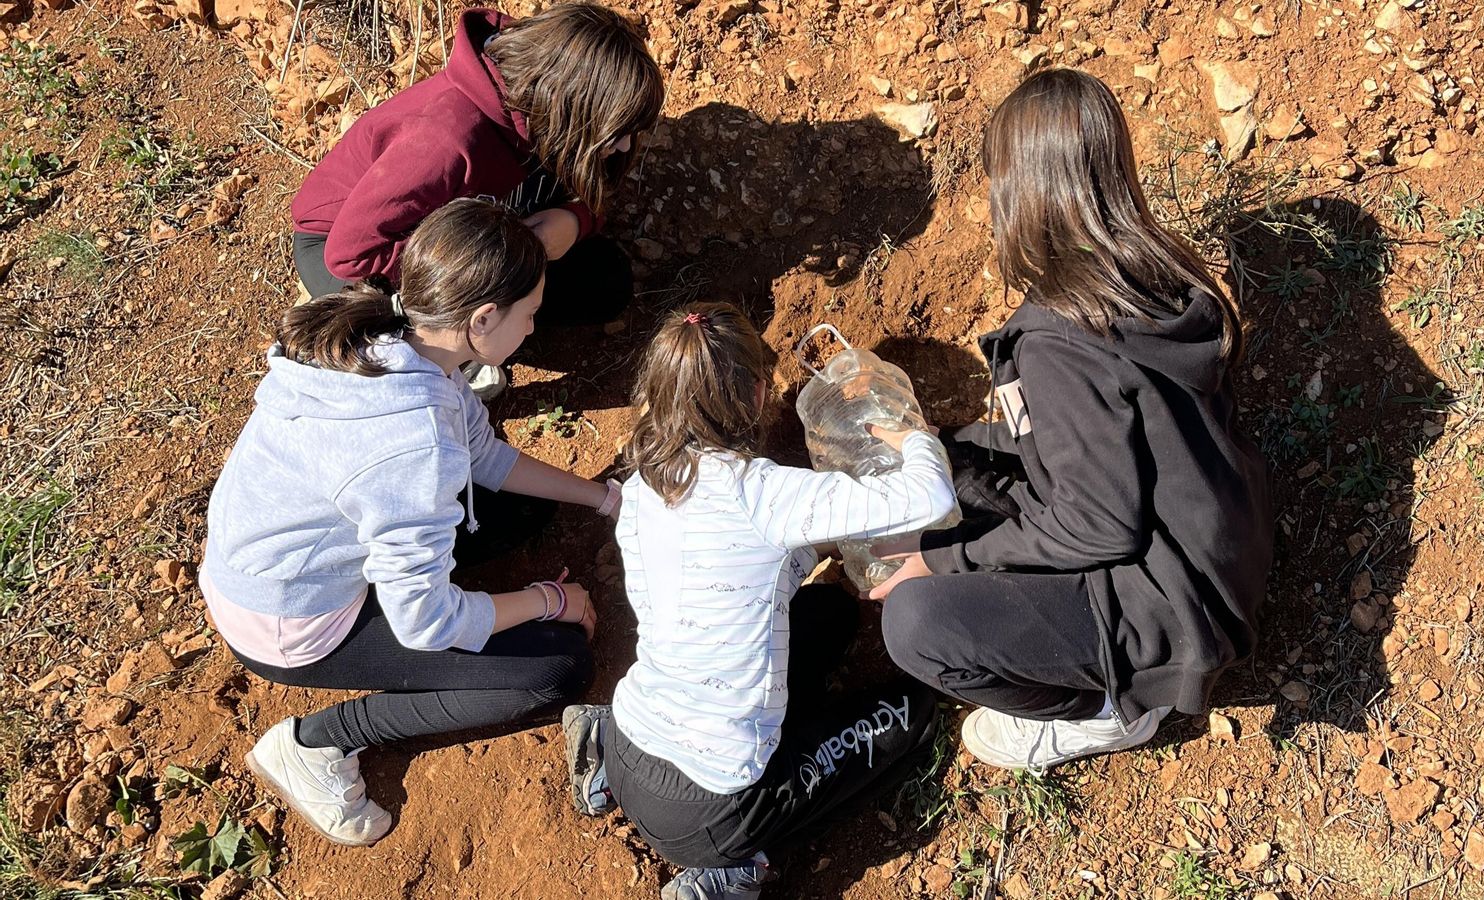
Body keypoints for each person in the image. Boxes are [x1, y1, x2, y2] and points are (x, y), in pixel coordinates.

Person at [870, 68, 1274, 772]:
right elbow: (1084, 444)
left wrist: (941, 563)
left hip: (1168, 608)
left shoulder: (1061, 341)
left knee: (915, 622)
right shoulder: (1148, 270)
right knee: (947, 482)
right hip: (1217, 555)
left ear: (1023, 191)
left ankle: (1108, 712)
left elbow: (1098, 526)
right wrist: (946, 448)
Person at [201, 198, 621, 847]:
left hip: (282, 544)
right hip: (290, 618)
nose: (535, 327)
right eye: (530, 314)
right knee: (556, 669)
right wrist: (548, 600)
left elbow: (481, 454)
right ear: (484, 320)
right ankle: (315, 745)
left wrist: (600, 498)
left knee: (527, 505)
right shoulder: (413, 446)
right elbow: (430, 622)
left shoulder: (390, 329)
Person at [563, 303, 957, 900]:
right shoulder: (761, 492)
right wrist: (916, 436)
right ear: (752, 392)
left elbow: (745, 566)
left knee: (831, 613)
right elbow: (927, 495)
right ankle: (736, 869)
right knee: (912, 712)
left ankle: (601, 768)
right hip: (712, 810)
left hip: (628, 739)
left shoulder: (645, 484)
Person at [289, 3, 664, 395]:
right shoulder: (446, 144)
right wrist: (481, 272)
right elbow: (349, 255)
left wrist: (572, 222)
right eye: (615, 132)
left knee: (605, 282)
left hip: (480, 234)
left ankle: (482, 331)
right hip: (355, 251)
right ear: (570, 108)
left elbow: (591, 190)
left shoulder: (545, 109)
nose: (623, 145)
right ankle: (447, 362)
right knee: (411, 351)